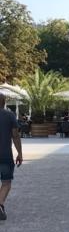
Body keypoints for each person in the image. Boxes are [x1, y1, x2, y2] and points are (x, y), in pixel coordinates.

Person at [0, 93, 23, 221]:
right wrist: (20, 153)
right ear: (4, 103)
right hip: (5, 155)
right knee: (6, 182)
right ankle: (0, 203)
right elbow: (15, 136)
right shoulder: (9, 115)